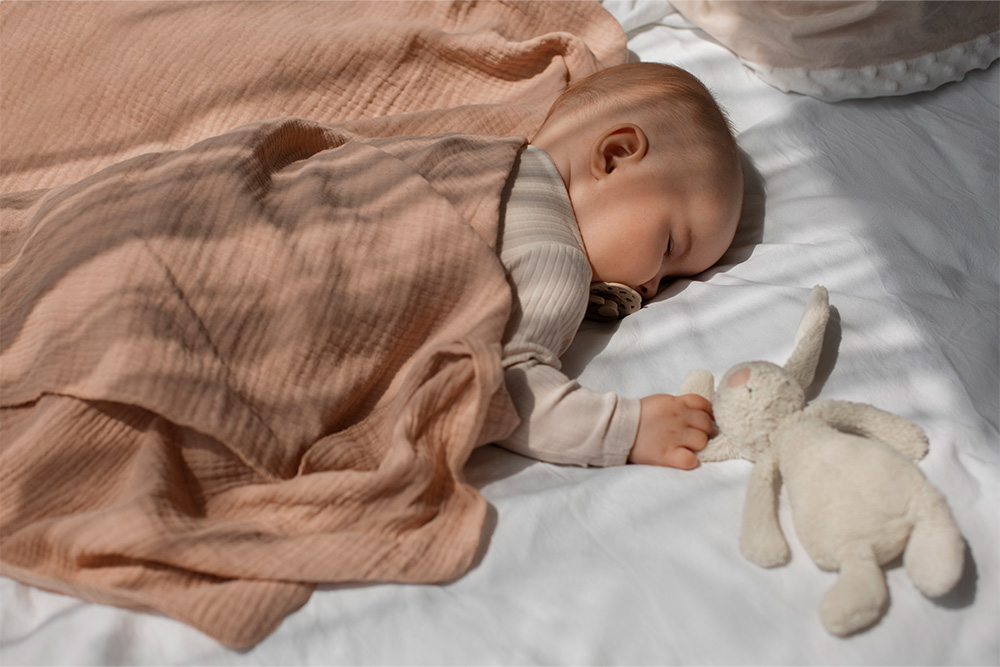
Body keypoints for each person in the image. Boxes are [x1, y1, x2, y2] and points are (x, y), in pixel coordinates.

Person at [496, 62, 744, 470]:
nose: (652, 290)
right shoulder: (554, 254)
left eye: (671, 280)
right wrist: (628, 429)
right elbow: (501, 388)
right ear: (614, 157)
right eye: (668, 248)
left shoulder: (490, 153)